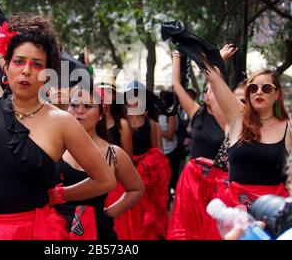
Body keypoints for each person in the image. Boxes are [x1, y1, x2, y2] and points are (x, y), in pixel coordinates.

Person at [0, 0, 115, 240]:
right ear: (7, 66)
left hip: (32, 232)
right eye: (19, 62)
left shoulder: (61, 121)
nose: (26, 70)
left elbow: (105, 180)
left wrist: (59, 195)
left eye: (36, 64)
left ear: (47, 73)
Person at [54, 87, 144, 240]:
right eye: (74, 105)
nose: (79, 111)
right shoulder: (54, 146)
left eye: (88, 106)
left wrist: (107, 214)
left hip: (96, 230)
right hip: (54, 228)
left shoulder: (113, 153)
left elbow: (136, 189)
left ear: (101, 114)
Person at [202, 63, 291, 213]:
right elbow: (214, 80)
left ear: (277, 94)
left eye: (266, 88)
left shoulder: (288, 128)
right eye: (253, 88)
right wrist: (216, 61)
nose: (259, 92)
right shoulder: (237, 118)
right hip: (235, 213)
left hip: (274, 213)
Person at [167, 51, 226, 240]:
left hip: (218, 182)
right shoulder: (196, 113)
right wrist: (178, 55)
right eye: (208, 89)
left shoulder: (229, 120)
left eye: (215, 89)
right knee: (187, 229)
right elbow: (177, 85)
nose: (211, 92)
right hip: (192, 180)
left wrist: (219, 61)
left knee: (211, 229)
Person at [111, 81, 170, 240]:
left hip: (146, 176)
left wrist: (152, 173)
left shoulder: (152, 124)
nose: (134, 99)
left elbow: (158, 154)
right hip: (124, 174)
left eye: (138, 95)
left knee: (146, 215)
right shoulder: (120, 122)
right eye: (131, 95)